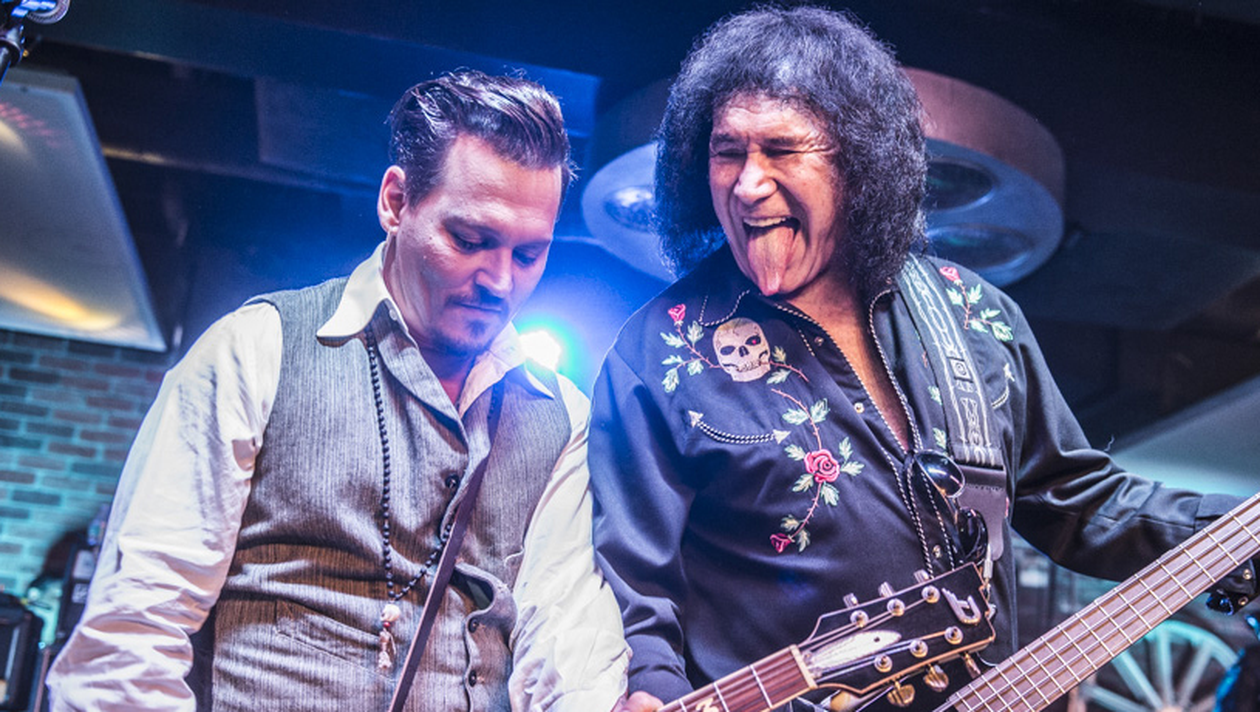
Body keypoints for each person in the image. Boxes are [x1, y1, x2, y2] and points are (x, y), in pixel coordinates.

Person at [589, 7, 1255, 712]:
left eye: (781, 150)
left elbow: (1078, 503)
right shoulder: (657, 353)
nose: (748, 183)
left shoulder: (976, 316)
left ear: (857, 162)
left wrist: (1238, 534)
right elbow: (632, 589)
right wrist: (650, 689)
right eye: (728, 152)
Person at [47, 69, 628, 712]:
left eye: (528, 255)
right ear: (396, 203)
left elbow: (570, 648)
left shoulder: (563, 418)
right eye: (470, 240)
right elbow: (132, 633)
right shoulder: (258, 348)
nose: (500, 281)